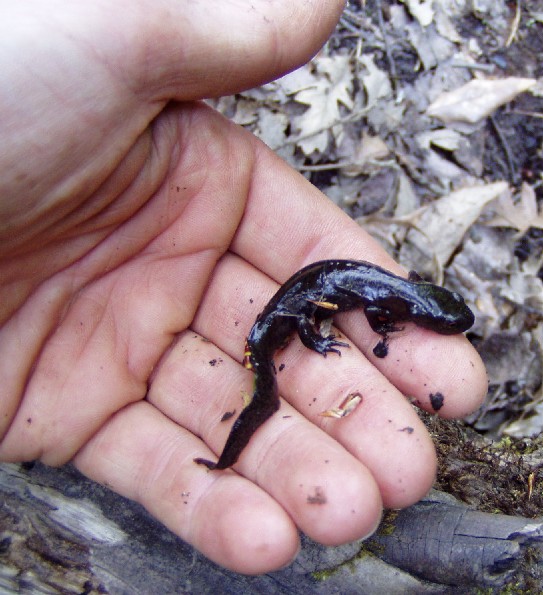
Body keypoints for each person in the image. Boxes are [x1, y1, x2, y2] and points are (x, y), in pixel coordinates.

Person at [0, 0, 488, 575]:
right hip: (286, 316)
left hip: (288, 309)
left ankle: (233, 448)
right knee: (284, 358)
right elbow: (369, 314)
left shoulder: (395, 294)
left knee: (279, 372)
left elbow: (376, 312)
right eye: (445, 320)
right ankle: (237, 439)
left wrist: (362, 325)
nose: (433, 323)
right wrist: (320, 335)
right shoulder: (391, 300)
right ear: (426, 310)